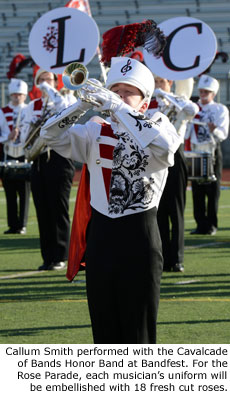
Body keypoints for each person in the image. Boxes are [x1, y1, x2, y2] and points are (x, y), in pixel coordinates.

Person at [40, 56, 181, 344]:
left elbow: (166, 148)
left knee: (138, 329)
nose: (119, 95)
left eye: (129, 91)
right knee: (104, 327)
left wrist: (117, 106)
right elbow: (49, 134)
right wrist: (82, 104)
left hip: (140, 233)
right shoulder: (95, 128)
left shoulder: (159, 123)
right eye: (115, 90)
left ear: (144, 102)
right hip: (102, 235)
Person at [21, 69, 76, 271]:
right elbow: (25, 132)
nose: (45, 83)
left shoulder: (66, 99)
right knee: (42, 209)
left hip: (60, 157)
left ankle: (61, 255)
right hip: (38, 159)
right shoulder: (31, 106)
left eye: (49, 79)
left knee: (58, 208)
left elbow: (65, 111)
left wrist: (50, 90)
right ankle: (48, 256)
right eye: (41, 80)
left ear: (56, 82)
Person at [148, 77, 199, 272]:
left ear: (170, 82)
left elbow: (192, 111)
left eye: (162, 82)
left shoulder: (179, 100)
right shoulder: (149, 103)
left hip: (175, 155)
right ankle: (161, 256)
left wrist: (168, 96)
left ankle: (176, 259)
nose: (158, 85)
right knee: (157, 210)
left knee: (176, 210)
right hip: (154, 156)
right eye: (156, 82)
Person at [185, 74, 229, 235]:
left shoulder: (220, 109)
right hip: (195, 150)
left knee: (212, 190)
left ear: (213, 94)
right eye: (201, 91)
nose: (203, 95)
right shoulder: (192, 108)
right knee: (197, 190)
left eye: (206, 92)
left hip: (212, 151)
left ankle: (211, 224)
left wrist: (213, 129)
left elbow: (223, 133)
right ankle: (200, 224)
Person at [0, 78, 30, 234]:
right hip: (8, 154)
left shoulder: (29, 110)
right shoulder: (2, 112)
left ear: (24, 96)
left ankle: (22, 225)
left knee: (24, 191)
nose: (17, 97)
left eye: (20, 94)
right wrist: (7, 137)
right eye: (15, 94)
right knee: (9, 191)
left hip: (24, 155)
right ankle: (12, 225)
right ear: (10, 95)